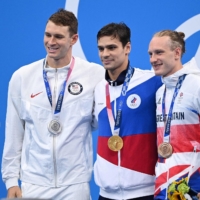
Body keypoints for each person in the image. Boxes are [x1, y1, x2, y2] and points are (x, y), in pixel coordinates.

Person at [1, 8, 104, 200]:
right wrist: (11, 180)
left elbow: (103, 121)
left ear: (74, 39)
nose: (51, 42)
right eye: (47, 35)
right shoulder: (22, 77)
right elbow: (14, 133)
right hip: (33, 184)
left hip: (75, 185)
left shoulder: (95, 75)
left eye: (58, 36)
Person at [93, 22, 162, 200]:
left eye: (111, 47)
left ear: (127, 47)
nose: (105, 54)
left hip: (144, 192)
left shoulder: (152, 82)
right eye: (101, 48)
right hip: (106, 194)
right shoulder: (97, 88)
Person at [148, 30, 200, 199]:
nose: (153, 59)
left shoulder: (196, 86)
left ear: (177, 52)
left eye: (159, 52)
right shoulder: (160, 92)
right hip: (164, 186)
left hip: (193, 185)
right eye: (151, 54)